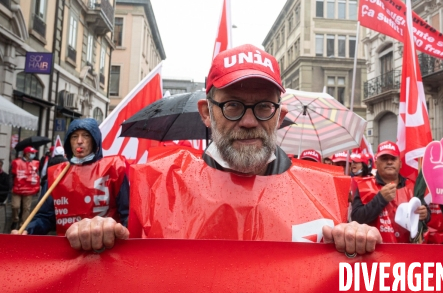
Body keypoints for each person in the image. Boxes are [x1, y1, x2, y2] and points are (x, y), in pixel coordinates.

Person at [64, 44, 381, 254]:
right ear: (206, 112)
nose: (247, 121)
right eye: (232, 106)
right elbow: (127, 274)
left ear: (281, 117)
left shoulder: (326, 191)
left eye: (263, 107)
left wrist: (356, 247)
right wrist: (98, 240)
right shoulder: (157, 184)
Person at [13, 118, 129, 238]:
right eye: (74, 136)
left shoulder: (113, 169)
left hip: (106, 245)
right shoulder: (57, 174)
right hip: (67, 248)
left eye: (86, 136)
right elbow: (45, 217)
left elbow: (126, 213)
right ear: (69, 142)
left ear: (95, 140)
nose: (79, 141)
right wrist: (28, 230)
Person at [351, 141, 429, 243]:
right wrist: (380, 199)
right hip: (375, 252)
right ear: (376, 163)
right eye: (384, 159)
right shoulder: (364, 186)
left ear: (400, 163)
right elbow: (356, 219)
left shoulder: (413, 187)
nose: (389, 162)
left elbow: (426, 215)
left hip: (408, 252)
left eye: (393, 158)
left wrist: (425, 214)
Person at [10, 146, 40, 230]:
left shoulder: (35, 163)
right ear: (27, 153)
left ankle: (23, 225)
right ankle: (15, 220)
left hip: (29, 189)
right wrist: (11, 186)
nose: (34, 154)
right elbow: (11, 175)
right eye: (32, 153)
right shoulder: (16, 162)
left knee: (26, 208)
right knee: (15, 206)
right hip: (17, 188)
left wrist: (36, 187)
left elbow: (37, 176)